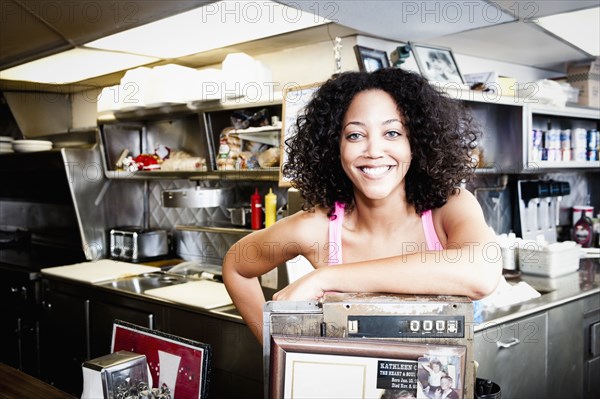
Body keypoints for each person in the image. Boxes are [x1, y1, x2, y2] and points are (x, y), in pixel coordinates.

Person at [223, 67, 502, 343]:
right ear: (335, 146)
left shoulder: (449, 207)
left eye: (392, 133)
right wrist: (274, 351)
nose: (374, 151)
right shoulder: (317, 227)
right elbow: (236, 266)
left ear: (416, 142)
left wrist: (324, 279)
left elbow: (481, 273)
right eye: (355, 135)